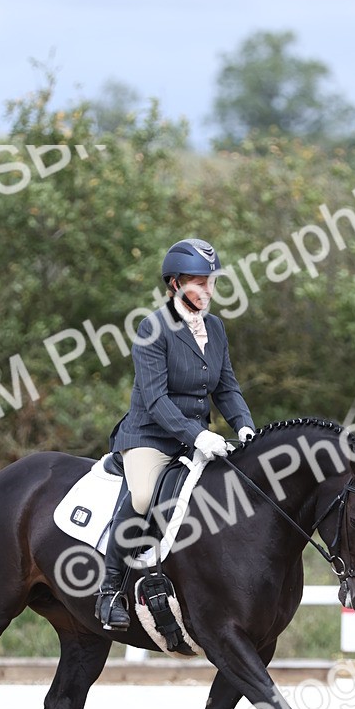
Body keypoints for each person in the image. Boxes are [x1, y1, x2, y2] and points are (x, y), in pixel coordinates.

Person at [96, 237, 256, 630]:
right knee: (146, 495)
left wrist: (245, 426)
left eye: (211, 281)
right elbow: (155, 399)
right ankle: (109, 589)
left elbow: (227, 388)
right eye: (196, 282)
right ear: (174, 284)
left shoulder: (215, 329)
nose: (206, 290)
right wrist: (198, 436)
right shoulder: (153, 328)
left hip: (195, 440)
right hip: (150, 437)